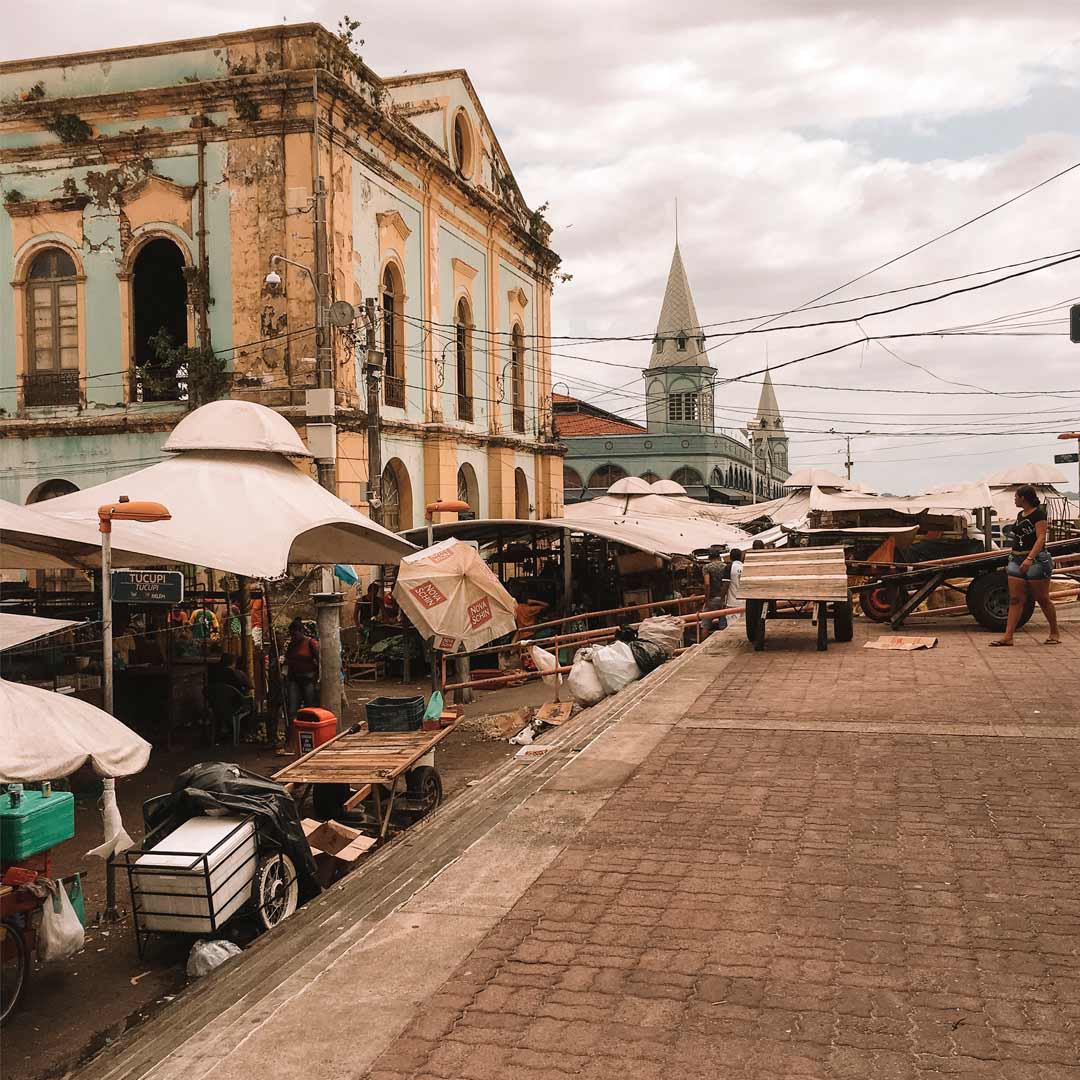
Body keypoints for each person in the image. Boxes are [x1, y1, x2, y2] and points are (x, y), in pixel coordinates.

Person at [991, 484, 1060, 647]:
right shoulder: (1020, 514)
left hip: (1035, 560)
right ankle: (1008, 636)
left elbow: (1041, 538)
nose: (1014, 499)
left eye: (1016, 497)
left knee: (1042, 598)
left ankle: (1054, 631)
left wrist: (1029, 558)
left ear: (1023, 498)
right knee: (1015, 599)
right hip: (1015, 558)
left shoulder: (1039, 514)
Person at [284, 618, 320, 719]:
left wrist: (317, 679)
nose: (293, 637)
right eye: (291, 635)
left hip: (308, 679)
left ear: (301, 632)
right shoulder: (291, 645)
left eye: (295, 634)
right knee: (292, 709)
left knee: (310, 708)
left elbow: (319, 662)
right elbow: (289, 662)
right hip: (294, 679)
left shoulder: (311, 643)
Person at [701, 545, 733, 635]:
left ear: (709, 557)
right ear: (719, 556)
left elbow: (707, 584)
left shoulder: (706, 567)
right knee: (723, 626)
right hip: (724, 599)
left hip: (711, 599)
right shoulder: (725, 566)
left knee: (705, 625)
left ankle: (703, 646)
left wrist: (706, 599)